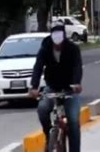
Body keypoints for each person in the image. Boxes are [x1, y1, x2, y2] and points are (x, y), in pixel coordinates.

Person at [30, 21, 83, 152]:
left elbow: (77, 67)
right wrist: (34, 87)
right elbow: (38, 67)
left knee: (73, 122)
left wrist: (76, 83)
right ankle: (49, 135)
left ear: (64, 35)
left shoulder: (73, 49)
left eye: (60, 33)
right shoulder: (45, 48)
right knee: (42, 109)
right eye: (55, 34)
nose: (57, 38)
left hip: (69, 89)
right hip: (52, 87)